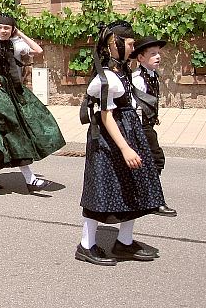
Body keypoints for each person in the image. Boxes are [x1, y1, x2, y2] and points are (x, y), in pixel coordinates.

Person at [76, 21, 165, 266]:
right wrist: (125, 147)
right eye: (130, 44)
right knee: (100, 191)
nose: (134, 48)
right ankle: (86, 245)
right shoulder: (107, 78)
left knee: (132, 187)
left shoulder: (123, 72)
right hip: (107, 140)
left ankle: (124, 242)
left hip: (128, 133)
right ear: (115, 45)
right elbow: (105, 115)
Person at [0, 14, 65, 190]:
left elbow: (38, 51)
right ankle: (30, 178)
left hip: (12, 89)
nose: (2, 31)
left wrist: (21, 33)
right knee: (13, 129)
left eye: (7, 28)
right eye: (0, 27)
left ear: (12, 30)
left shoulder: (15, 44)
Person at [131, 36, 177, 217]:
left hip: (148, 125)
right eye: (152, 54)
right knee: (155, 159)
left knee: (149, 163)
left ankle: (146, 198)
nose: (158, 57)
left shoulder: (152, 75)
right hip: (140, 127)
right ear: (141, 58)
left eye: (158, 53)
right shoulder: (137, 79)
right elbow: (132, 106)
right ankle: (155, 201)